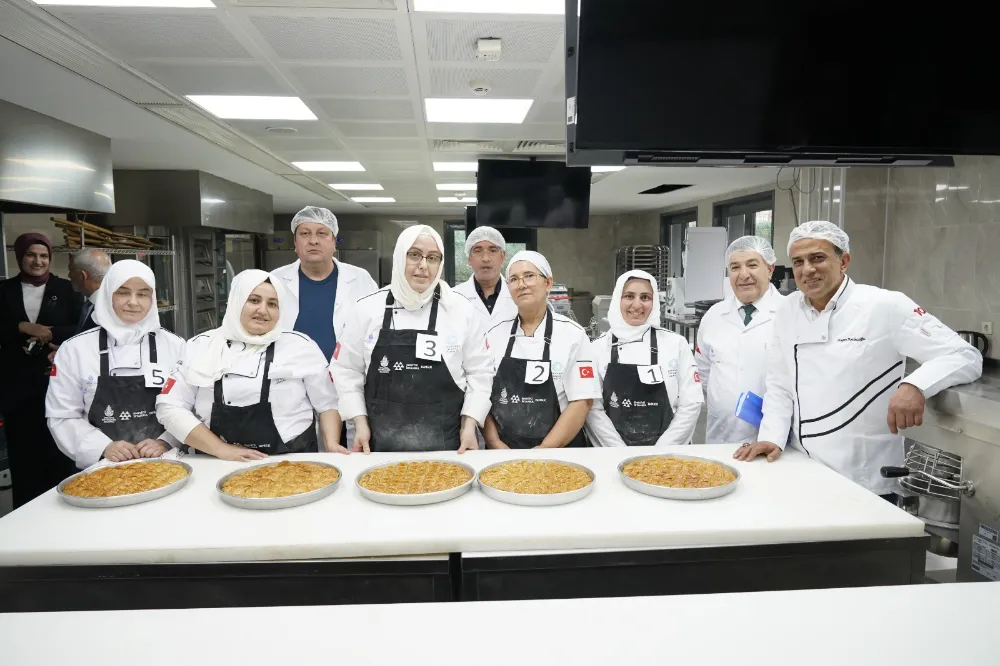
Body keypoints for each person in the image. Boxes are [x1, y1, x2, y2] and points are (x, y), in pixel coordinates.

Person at [737, 221, 982, 499]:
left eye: (818, 258)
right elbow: (780, 384)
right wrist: (771, 437)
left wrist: (915, 385)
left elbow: (964, 355)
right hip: (801, 468)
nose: (807, 269)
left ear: (844, 261)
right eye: (798, 261)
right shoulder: (788, 310)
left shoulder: (885, 306)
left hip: (864, 479)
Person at [331, 225, 493, 453]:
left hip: (449, 445)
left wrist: (470, 424)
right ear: (399, 257)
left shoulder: (460, 310)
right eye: (414, 255)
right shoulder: (367, 309)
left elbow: (480, 373)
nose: (423, 266)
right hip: (378, 444)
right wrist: (359, 422)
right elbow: (347, 371)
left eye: (433, 258)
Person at [156, 269, 344, 461]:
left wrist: (331, 445)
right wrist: (220, 449)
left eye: (272, 304)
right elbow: (169, 407)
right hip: (216, 463)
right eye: (254, 300)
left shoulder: (301, 346)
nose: (262, 310)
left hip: (293, 461)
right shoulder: (200, 347)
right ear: (236, 301)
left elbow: (327, 404)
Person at [46, 260, 185, 469]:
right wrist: (102, 447)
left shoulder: (175, 346)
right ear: (107, 294)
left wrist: (167, 440)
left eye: (143, 294)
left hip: (167, 462)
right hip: (103, 467)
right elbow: (62, 415)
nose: (133, 302)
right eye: (123, 292)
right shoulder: (74, 350)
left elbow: (189, 406)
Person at [483, 251, 600, 448]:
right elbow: (480, 394)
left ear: (548, 283)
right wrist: (494, 442)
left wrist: (544, 450)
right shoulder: (493, 336)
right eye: (513, 279)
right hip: (504, 453)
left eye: (529, 276)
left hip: (560, 452)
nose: (521, 284)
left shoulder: (573, 335)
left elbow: (582, 401)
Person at [0, 233, 83, 507]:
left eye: (44, 256)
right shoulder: (4, 290)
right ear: (20, 257)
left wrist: (49, 333)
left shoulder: (67, 289)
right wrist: (21, 327)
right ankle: (24, 512)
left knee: (59, 450)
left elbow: (82, 328)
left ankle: (65, 507)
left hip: (57, 382)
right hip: (17, 387)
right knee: (23, 453)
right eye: (31, 255)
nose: (38, 261)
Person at [586, 270, 703, 447]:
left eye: (645, 297)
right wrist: (618, 451)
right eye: (629, 296)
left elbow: (691, 403)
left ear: (654, 302)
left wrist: (661, 452)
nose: (637, 305)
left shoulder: (676, 344)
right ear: (618, 298)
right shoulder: (597, 349)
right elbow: (593, 409)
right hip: (611, 452)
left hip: (668, 455)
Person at [696, 236, 786, 444]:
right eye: (735, 267)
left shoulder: (789, 313)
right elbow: (704, 370)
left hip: (774, 438)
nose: (743, 275)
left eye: (752, 265)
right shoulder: (714, 315)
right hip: (721, 433)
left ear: (770, 269)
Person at [271, 206, 378, 363]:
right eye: (305, 234)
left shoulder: (361, 279)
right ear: (295, 242)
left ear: (334, 242)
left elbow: (376, 327)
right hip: (289, 379)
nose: (313, 240)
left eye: (322, 233)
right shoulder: (275, 280)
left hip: (345, 378)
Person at [452, 226, 517, 331]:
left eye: (493, 250)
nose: (485, 259)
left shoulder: (517, 294)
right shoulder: (453, 297)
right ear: (469, 258)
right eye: (478, 251)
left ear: (503, 257)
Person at [67, 248, 111, 335]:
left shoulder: (107, 309)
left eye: (71, 271)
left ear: (82, 276)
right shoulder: (92, 304)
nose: (69, 276)